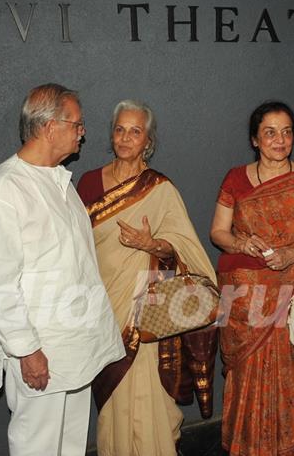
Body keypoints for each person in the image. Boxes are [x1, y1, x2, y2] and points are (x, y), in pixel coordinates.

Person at [0, 84, 125, 456]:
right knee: (36, 445)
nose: (82, 132)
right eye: (78, 124)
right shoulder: (4, 189)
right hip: (41, 351)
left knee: (70, 444)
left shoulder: (59, 182)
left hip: (74, 346)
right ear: (51, 127)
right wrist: (27, 351)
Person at [77, 100, 218, 456]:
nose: (125, 138)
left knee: (145, 389)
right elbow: (74, 247)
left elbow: (185, 250)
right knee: (113, 395)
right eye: (119, 129)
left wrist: (151, 244)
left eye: (135, 131)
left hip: (145, 307)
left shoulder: (160, 189)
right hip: (103, 305)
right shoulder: (89, 183)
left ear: (148, 141)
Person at [210, 101, 294, 455]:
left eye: (286, 132)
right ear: (255, 139)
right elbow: (218, 231)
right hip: (248, 297)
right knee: (249, 374)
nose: (280, 140)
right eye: (270, 132)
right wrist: (243, 242)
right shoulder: (236, 178)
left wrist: (290, 255)